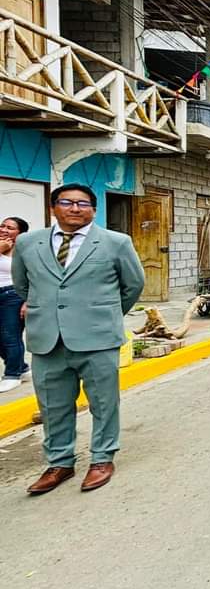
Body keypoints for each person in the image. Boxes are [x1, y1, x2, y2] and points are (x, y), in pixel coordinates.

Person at [13, 184, 145, 494]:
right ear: (53, 208)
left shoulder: (116, 243)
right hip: (47, 339)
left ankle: (102, 458)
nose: (75, 208)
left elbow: (133, 285)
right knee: (52, 405)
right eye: (67, 202)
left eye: (83, 204)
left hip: (98, 338)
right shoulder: (28, 243)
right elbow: (22, 285)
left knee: (104, 403)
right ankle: (59, 462)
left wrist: (106, 314)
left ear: (94, 210)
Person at [0, 216, 30, 394]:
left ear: (20, 233)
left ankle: (12, 375)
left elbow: (34, 276)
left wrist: (28, 300)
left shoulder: (24, 250)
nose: (4, 229)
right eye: (2, 226)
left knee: (10, 336)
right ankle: (22, 368)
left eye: (10, 228)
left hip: (13, 295)